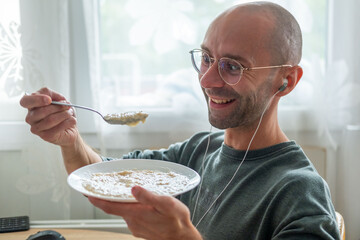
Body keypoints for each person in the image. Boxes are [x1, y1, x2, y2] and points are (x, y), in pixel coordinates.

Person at [20, 1, 340, 240]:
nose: (206, 80)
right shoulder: (196, 153)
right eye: (206, 59)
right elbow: (102, 176)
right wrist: (71, 139)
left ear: (285, 81)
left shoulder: (299, 192)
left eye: (232, 66)